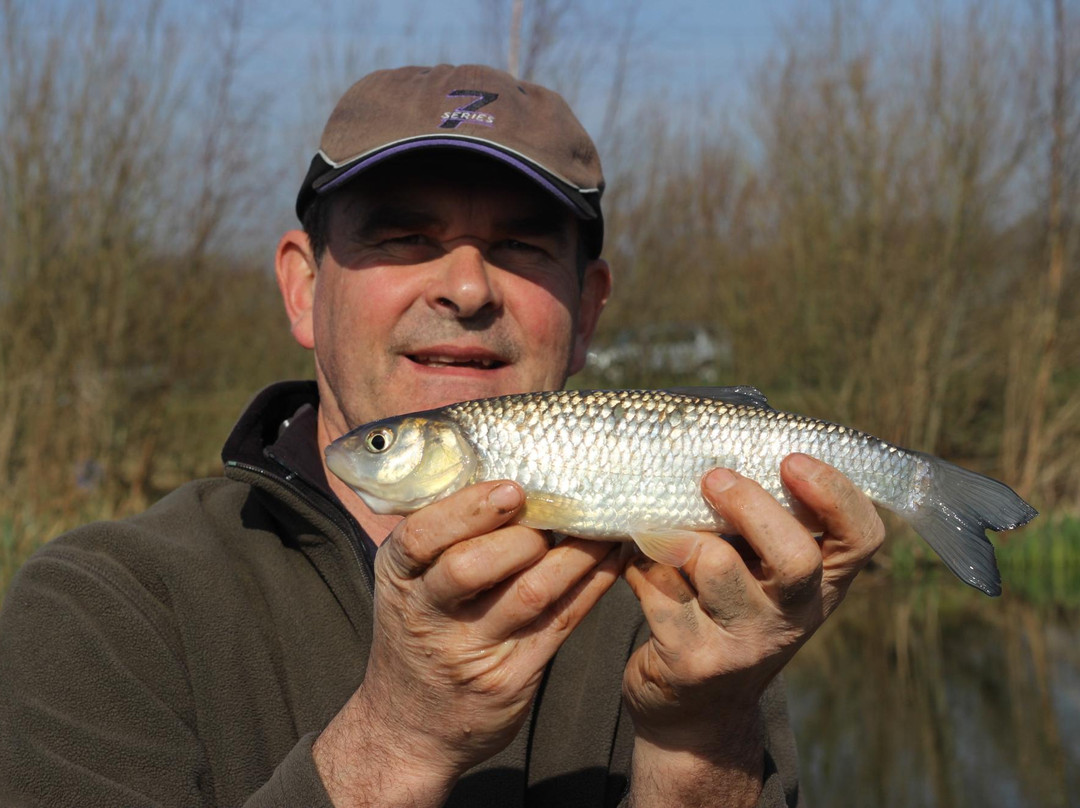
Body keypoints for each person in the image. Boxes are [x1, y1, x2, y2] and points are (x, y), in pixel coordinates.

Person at [0, 64, 884, 807]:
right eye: (406, 236)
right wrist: (398, 741)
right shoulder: (102, 610)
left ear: (588, 312)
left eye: (521, 247)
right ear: (304, 289)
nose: (467, 287)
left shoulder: (702, 604)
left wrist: (700, 742)